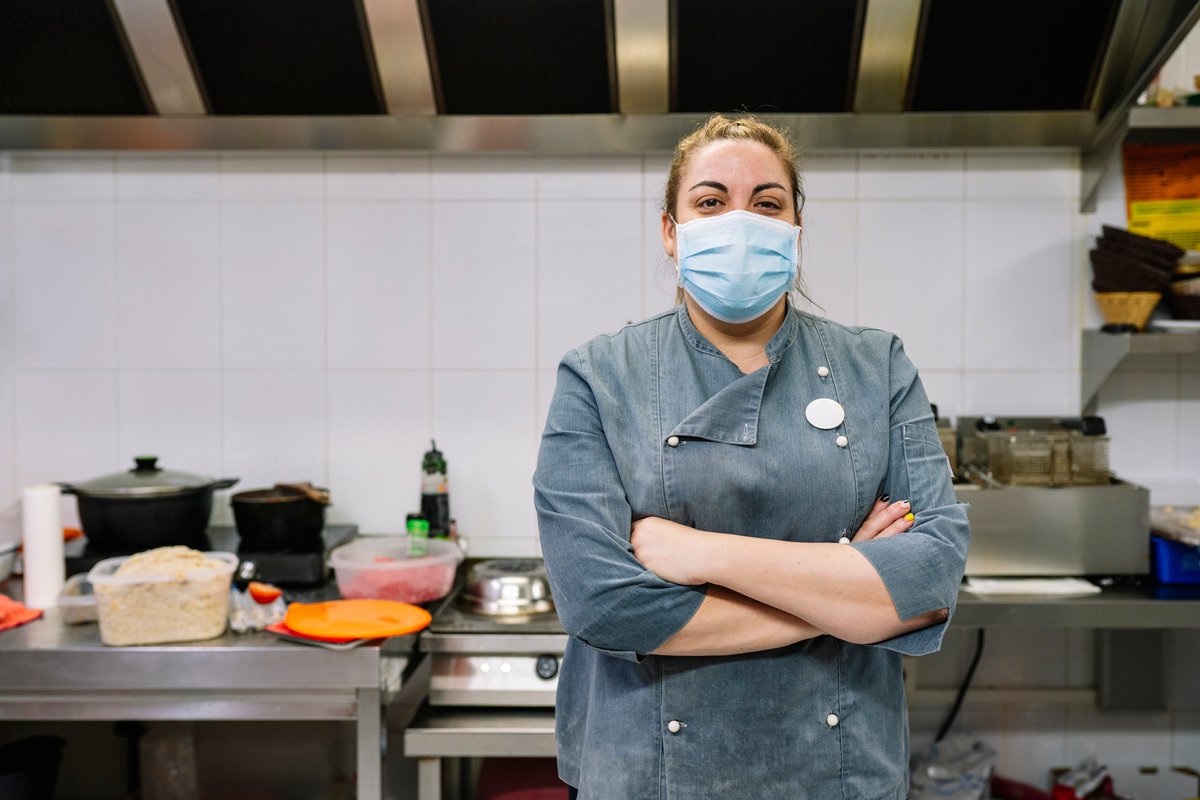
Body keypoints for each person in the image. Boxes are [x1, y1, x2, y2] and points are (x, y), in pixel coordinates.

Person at [533, 114, 969, 800]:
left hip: (839, 772)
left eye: (767, 203)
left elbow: (932, 574)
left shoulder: (877, 366)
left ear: (796, 228)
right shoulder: (599, 375)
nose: (740, 221)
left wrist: (700, 553)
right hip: (650, 774)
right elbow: (603, 605)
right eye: (710, 201)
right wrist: (848, 602)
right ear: (671, 231)